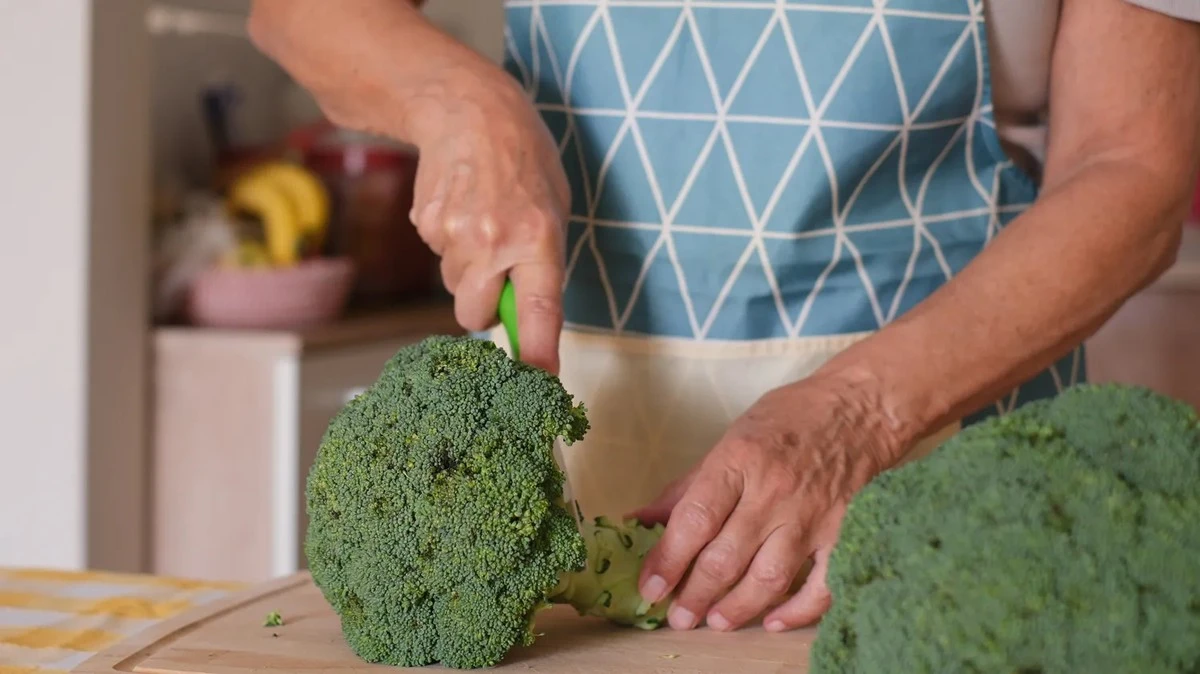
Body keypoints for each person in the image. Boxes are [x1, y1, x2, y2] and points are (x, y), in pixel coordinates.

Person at [248, 0, 1200, 635]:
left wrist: (863, 412)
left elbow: (1135, 167)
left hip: (935, 461)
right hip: (584, 461)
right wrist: (460, 99)